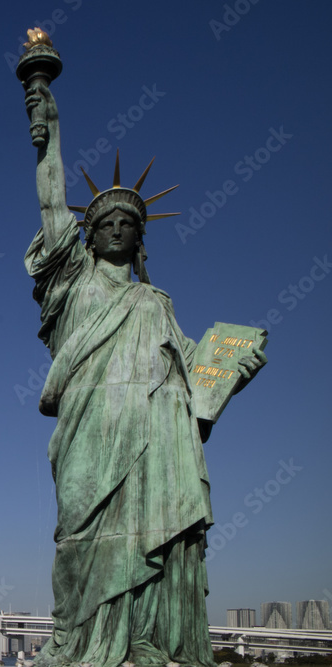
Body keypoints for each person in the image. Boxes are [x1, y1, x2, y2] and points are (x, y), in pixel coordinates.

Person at [22, 80, 265, 667]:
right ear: (89, 232)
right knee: (79, 539)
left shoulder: (157, 303)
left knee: (154, 539)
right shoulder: (72, 281)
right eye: (104, 221)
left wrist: (235, 370)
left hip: (156, 439)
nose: (114, 229)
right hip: (90, 430)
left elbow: (196, 377)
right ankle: (80, 642)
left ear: (139, 239)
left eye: (127, 224)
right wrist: (44, 113)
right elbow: (53, 203)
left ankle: (141, 639)